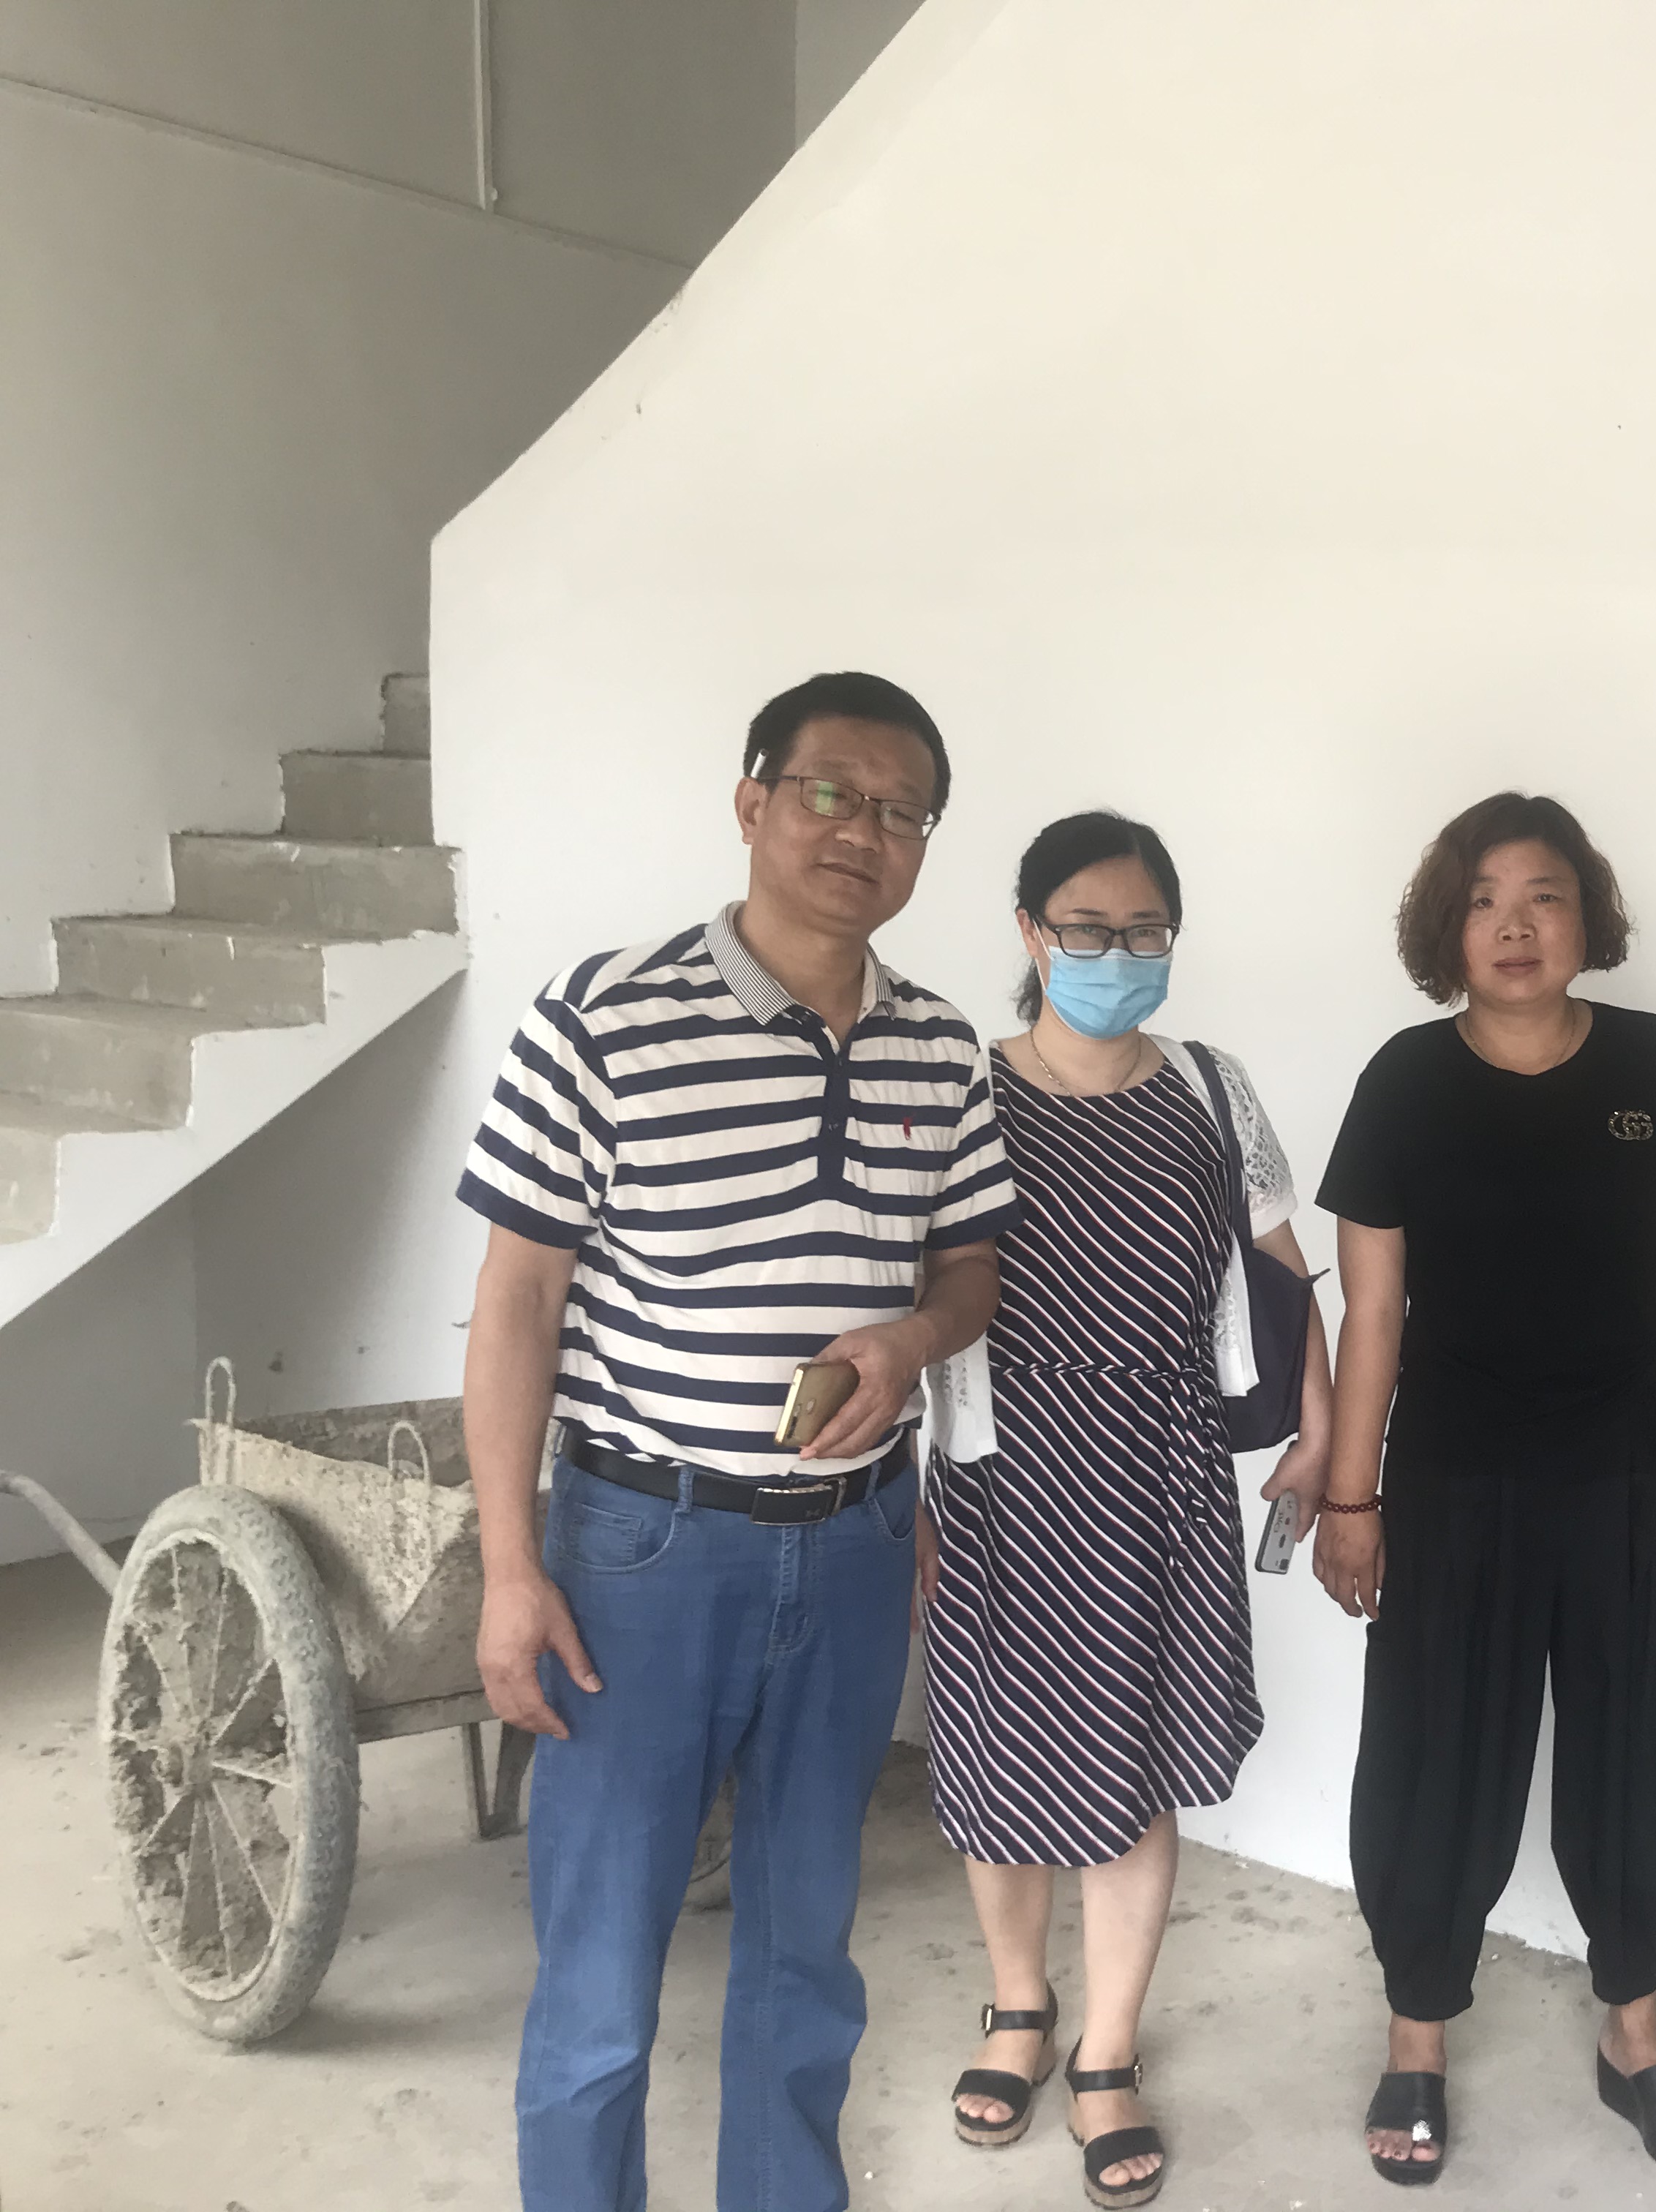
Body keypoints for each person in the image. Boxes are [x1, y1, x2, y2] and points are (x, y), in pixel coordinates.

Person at [461, 672, 1015, 2212]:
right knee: (600, 1973)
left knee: (804, 1951)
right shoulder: (603, 1015)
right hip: (643, 1551)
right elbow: (515, 1303)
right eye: (831, 792)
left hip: (854, 1544)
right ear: (753, 801)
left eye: (902, 812)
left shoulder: (941, 1047)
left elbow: (971, 1267)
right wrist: (510, 1568)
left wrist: (910, 1340)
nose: (863, 832)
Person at [1311, 791, 1656, 2187]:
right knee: (1437, 1749)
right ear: (1446, 927)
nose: (1515, 925)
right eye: (1484, 900)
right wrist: (1350, 1497)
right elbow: (1372, 1309)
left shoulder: (1653, 1062)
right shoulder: (1406, 1080)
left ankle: (1635, 2028)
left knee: (1643, 1746)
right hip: (1455, 1478)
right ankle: (1417, 2033)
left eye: (1545, 895)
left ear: (1587, 915)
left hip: (1629, 1468)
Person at [925, 810, 1334, 2212]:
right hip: (999, 1469)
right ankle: (1018, 2007)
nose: (1118, 953)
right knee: (996, 1758)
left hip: (1161, 1469)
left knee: (1133, 1759)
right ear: (1030, 932)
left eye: (1145, 929)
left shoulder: (1213, 1090)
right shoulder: (963, 1090)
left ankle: (1106, 2048)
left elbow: (1286, 1272)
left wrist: (1321, 1433)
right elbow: (912, 1292)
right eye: (1088, 929)